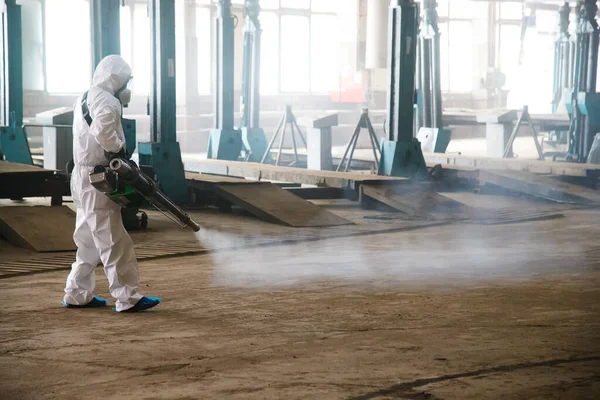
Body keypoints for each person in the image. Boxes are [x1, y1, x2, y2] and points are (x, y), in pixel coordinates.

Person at [63, 55, 160, 313]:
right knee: (112, 238)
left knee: (87, 240)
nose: (127, 86)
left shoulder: (85, 96)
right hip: (99, 178)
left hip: (82, 178)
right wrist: (119, 151)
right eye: (126, 81)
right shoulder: (108, 100)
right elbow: (103, 132)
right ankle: (127, 297)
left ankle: (77, 293)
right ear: (116, 79)